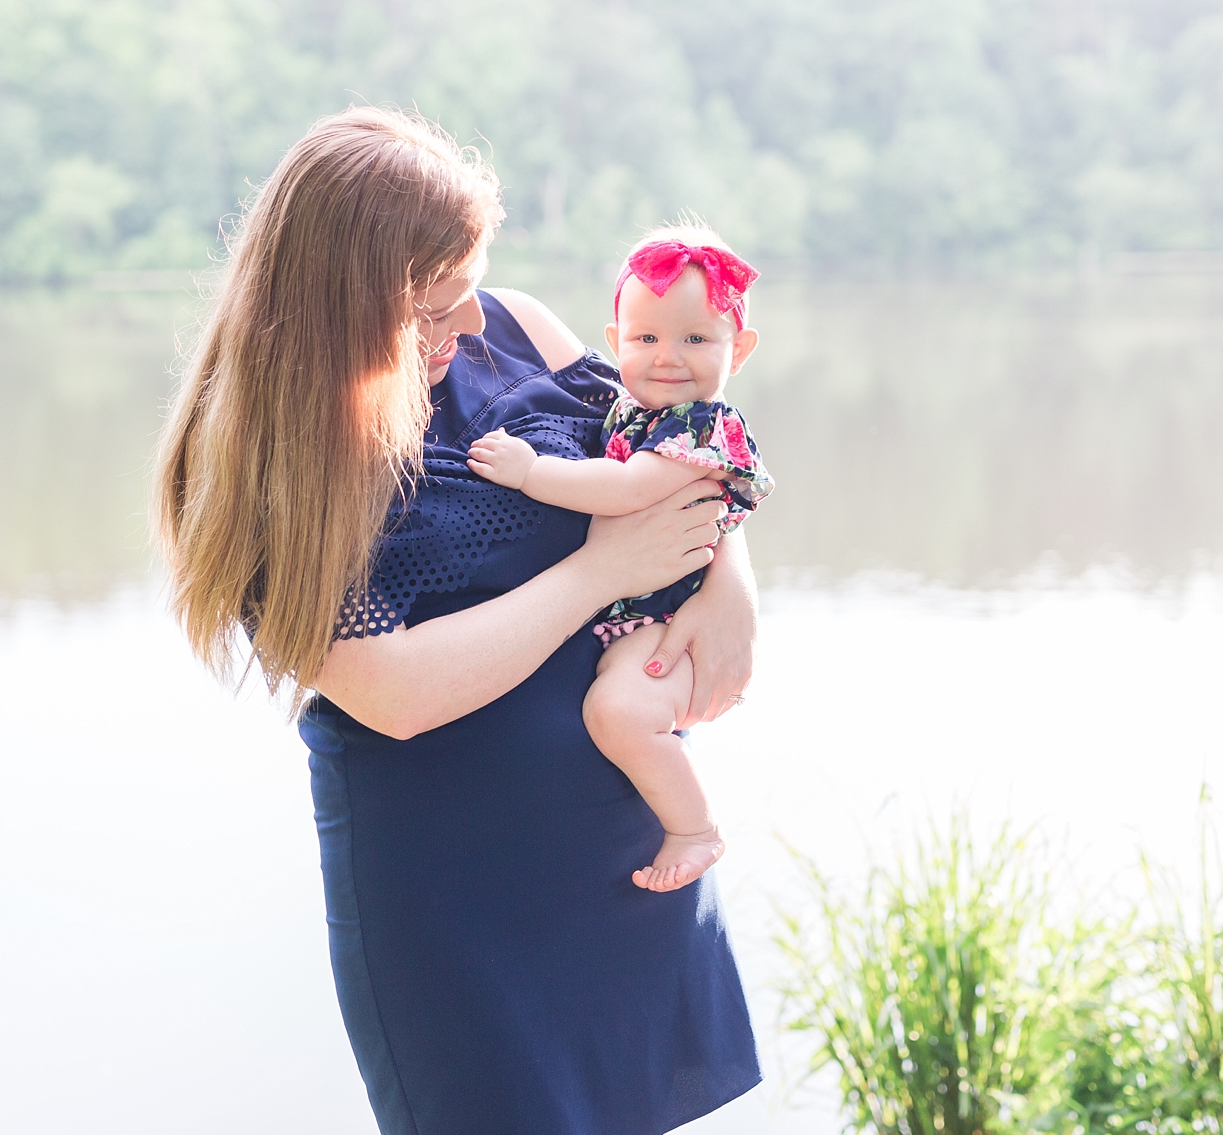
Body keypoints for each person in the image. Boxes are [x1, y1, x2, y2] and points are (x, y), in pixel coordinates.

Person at [150, 107, 761, 1135]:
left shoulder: (517, 331)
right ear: (342, 316)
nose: (470, 326)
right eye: (435, 309)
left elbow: (683, 451)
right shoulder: (270, 463)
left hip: (626, 844)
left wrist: (731, 576)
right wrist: (602, 570)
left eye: (470, 290)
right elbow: (394, 693)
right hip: (458, 898)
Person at [468, 224, 773, 894]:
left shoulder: (700, 425)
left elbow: (628, 489)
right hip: (640, 612)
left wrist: (529, 471)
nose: (668, 357)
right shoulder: (631, 409)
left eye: (696, 339)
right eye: (646, 338)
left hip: (665, 624)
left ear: (738, 350)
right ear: (615, 343)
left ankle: (696, 828)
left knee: (620, 710)